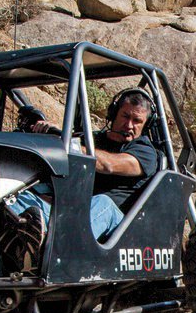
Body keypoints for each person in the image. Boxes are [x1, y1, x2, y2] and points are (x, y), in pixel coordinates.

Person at [10, 88, 160, 241]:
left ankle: (55, 243)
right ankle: (24, 236)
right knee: (18, 195)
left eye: (137, 121)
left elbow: (108, 164)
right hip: (73, 213)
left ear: (145, 125)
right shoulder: (91, 138)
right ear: (114, 114)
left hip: (114, 225)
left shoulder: (145, 152)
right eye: (125, 116)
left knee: (104, 203)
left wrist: (67, 145)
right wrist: (51, 135)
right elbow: (67, 147)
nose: (129, 125)